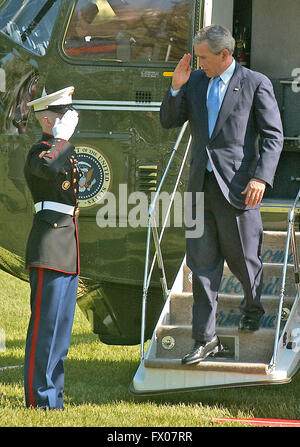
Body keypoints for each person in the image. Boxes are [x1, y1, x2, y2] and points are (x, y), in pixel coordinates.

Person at [160, 25, 283, 365]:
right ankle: (205, 338)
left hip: (239, 188)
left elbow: (274, 136)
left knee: (244, 259)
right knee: (201, 267)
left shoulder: (256, 83)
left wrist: (261, 177)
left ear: (225, 55)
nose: (199, 63)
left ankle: (253, 306)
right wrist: (175, 87)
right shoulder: (196, 82)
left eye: (203, 58)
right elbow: (168, 121)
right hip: (200, 187)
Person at [23, 86, 81, 409]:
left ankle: (54, 396)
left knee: (60, 331)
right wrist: (59, 140)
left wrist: (62, 144)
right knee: (45, 328)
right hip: (49, 246)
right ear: (48, 120)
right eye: (61, 115)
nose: (67, 120)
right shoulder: (40, 152)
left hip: (66, 248)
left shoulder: (61, 150)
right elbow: (46, 168)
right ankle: (39, 399)